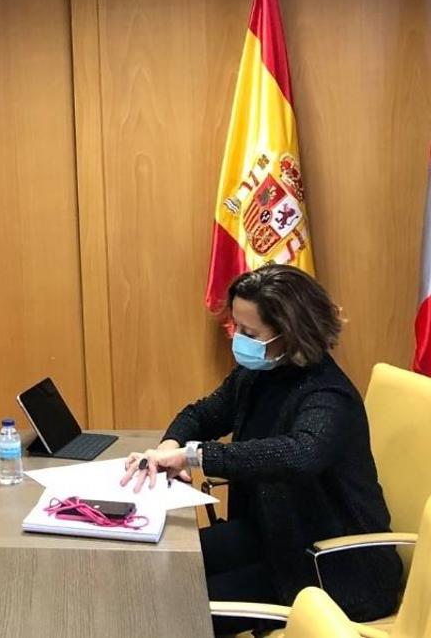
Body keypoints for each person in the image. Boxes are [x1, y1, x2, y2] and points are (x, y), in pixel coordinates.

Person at [119, 265, 402, 634]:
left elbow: (297, 454)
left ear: (292, 333)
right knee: (158, 571)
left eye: (250, 333)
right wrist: (168, 448)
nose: (238, 339)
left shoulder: (329, 395)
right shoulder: (258, 373)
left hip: (334, 568)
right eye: (236, 327)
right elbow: (203, 414)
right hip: (275, 534)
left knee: (175, 610)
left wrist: (194, 456)